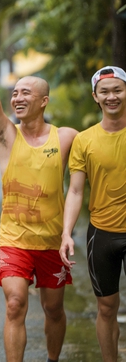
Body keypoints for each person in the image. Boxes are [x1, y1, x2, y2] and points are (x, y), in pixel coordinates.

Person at [0, 14, 78, 362]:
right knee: (15, 303)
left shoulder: (66, 138)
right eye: (14, 93)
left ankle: (52, 359)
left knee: (54, 310)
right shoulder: (6, 135)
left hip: (50, 241)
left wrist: (69, 232)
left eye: (25, 93)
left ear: (43, 101)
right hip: (14, 239)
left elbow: (80, 184)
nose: (17, 98)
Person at [59, 66, 126, 362]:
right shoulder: (84, 141)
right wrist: (66, 233)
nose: (112, 96)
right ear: (95, 97)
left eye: (118, 90)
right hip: (102, 233)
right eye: (105, 92)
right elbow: (75, 191)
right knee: (107, 308)